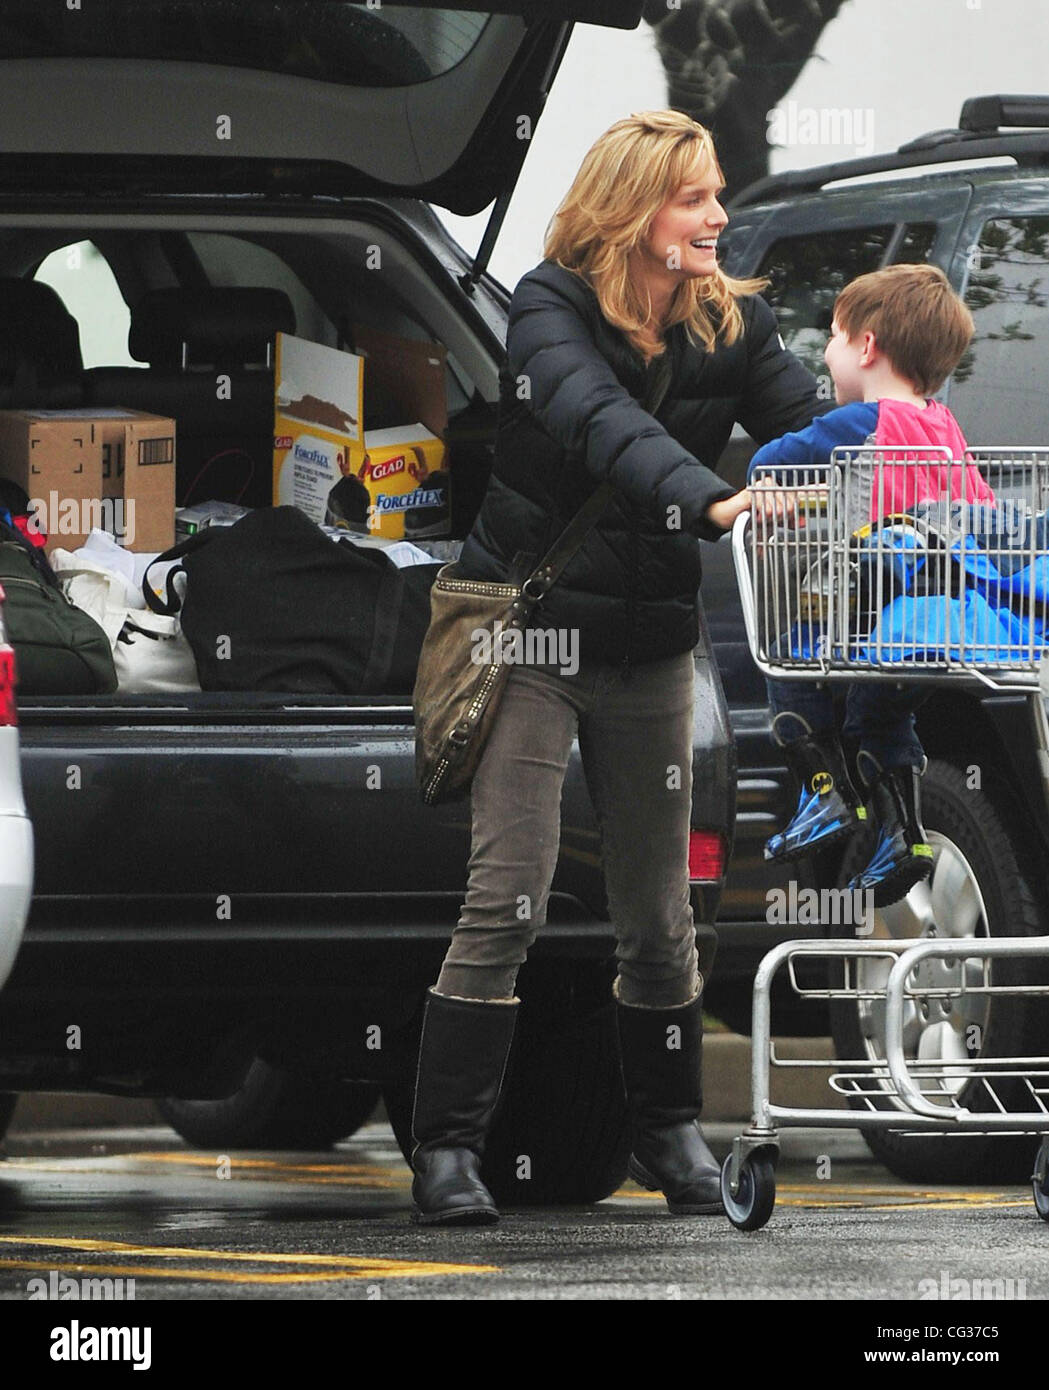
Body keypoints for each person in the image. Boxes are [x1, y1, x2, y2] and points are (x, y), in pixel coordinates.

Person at [410, 109, 829, 1226]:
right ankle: (448, 1151)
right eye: (696, 197)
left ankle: (668, 1132)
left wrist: (882, 444)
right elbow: (598, 422)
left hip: (649, 649)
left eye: (717, 195)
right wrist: (704, 492)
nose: (718, 216)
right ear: (637, 207)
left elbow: (805, 420)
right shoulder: (546, 308)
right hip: (534, 640)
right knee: (507, 895)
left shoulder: (725, 318)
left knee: (660, 915)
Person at [748, 263, 987, 906]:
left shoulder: (859, 425)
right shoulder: (946, 427)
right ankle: (905, 834)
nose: (826, 352)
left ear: (868, 346)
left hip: (872, 606)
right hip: (936, 620)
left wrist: (774, 491)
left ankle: (828, 796)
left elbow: (767, 461)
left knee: (790, 653)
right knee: (878, 716)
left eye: (833, 336)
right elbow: (980, 509)